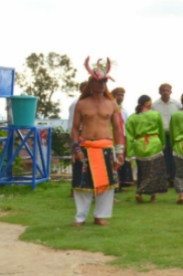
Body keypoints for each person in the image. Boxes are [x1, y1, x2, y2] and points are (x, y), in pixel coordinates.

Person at [70, 58, 124, 226]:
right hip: (85, 148)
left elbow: (117, 129)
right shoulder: (81, 103)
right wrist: (76, 149)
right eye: (98, 82)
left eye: (104, 82)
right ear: (91, 84)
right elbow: (74, 128)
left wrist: (120, 151)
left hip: (106, 148)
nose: (101, 85)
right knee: (82, 185)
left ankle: (99, 216)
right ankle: (80, 218)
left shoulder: (112, 104)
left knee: (106, 185)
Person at [126, 96, 168, 202]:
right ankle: (146, 194)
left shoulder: (132, 118)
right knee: (155, 172)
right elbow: (161, 131)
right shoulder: (155, 114)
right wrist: (163, 143)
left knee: (143, 173)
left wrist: (129, 153)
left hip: (140, 146)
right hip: (154, 144)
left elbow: (129, 137)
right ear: (148, 104)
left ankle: (143, 192)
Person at [152, 83, 182, 184]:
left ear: (170, 92)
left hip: (174, 134)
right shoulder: (154, 105)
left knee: (174, 155)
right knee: (162, 156)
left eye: (167, 90)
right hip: (161, 135)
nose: (165, 92)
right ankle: (164, 178)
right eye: (163, 90)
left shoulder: (177, 104)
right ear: (159, 92)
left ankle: (173, 178)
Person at [110, 87, 135, 189]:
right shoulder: (110, 107)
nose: (120, 97)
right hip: (112, 138)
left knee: (121, 159)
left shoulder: (124, 111)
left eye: (122, 95)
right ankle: (114, 185)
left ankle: (120, 183)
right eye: (118, 94)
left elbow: (125, 125)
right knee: (113, 160)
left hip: (122, 137)